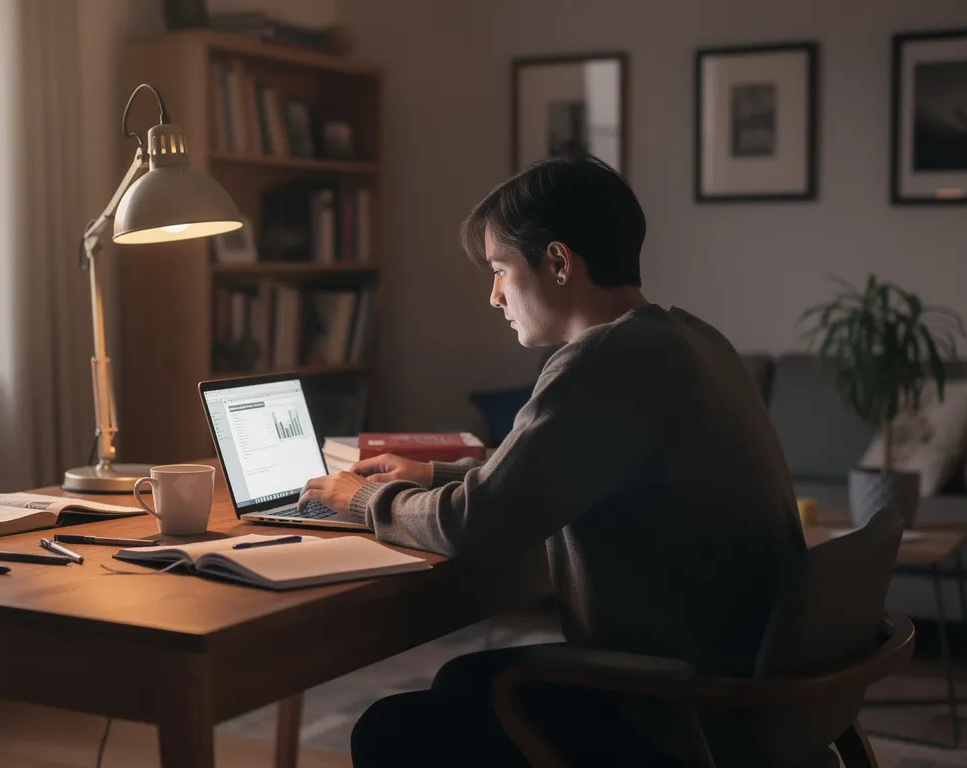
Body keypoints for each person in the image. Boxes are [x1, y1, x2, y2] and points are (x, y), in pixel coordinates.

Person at [297, 155, 808, 765]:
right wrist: (433, 474)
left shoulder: (598, 363)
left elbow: (473, 524)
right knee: (461, 682)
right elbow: (569, 470)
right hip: (748, 688)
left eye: (500, 270)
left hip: (676, 707)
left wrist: (360, 499)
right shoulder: (691, 339)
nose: (494, 296)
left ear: (559, 263)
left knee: (390, 730)